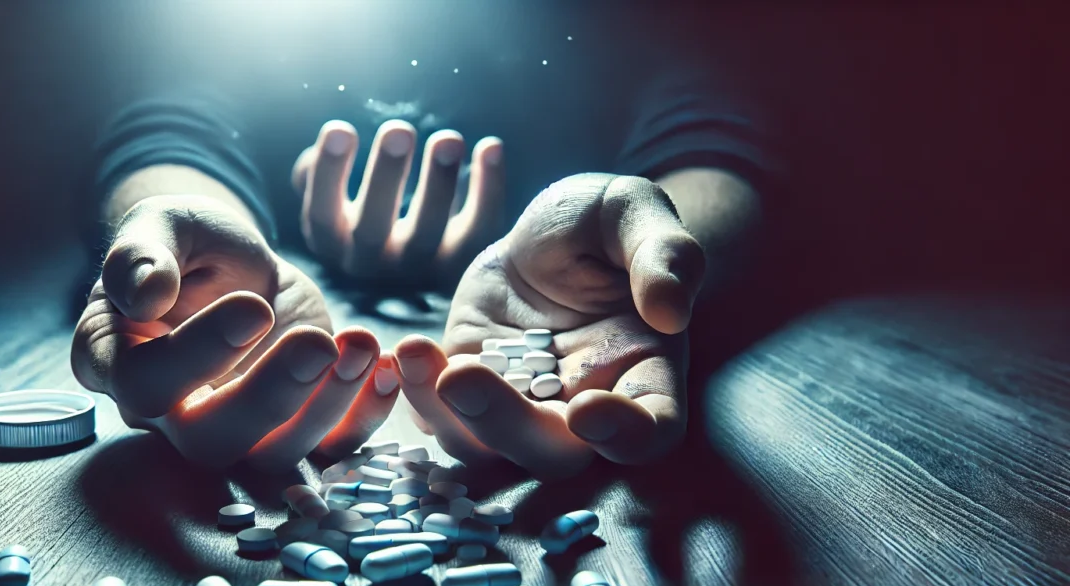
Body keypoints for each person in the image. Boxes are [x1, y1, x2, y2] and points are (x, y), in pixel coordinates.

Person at [70, 5, 772, 478]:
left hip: (549, 304)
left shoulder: (598, 26)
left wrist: (647, 262)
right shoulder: (243, 27)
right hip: (305, 303)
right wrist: (172, 231)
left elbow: (711, 130)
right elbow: (171, 131)